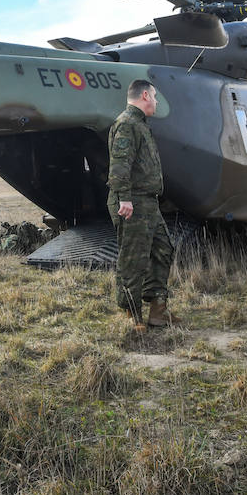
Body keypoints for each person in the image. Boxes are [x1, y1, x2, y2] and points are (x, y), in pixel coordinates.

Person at [107, 79, 175, 330]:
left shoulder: (139, 125)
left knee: (163, 249)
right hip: (132, 202)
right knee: (133, 259)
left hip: (147, 203)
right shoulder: (126, 124)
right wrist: (124, 198)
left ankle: (158, 310)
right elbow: (119, 165)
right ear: (145, 95)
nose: (156, 102)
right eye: (155, 97)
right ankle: (132, 315)